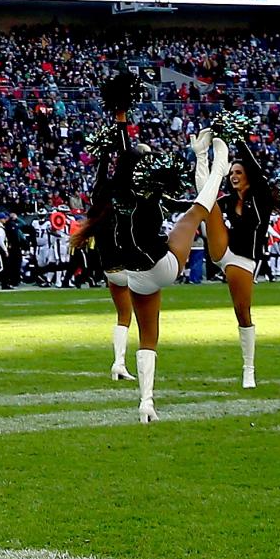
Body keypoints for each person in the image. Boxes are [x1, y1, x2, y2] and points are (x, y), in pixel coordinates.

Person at [74, 78, 231, 422]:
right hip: (162, 265)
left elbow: (121, 157)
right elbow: (139, 167)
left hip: (134, 275)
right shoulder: (150, 195)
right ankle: (218, 161)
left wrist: (120, 118)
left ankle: (146, 402)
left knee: (147, 336)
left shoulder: (110, 193)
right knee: (195, 212)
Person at [201, 132, 280, 389]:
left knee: (242, 313)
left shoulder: (262, 197)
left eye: (238, 172)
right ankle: (205, 154)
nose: (234, 176)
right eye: (231, 172)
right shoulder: (228, 201)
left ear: (248, 175)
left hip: (246, 259)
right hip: (225, 252)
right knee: (207, 202)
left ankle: (249, 368)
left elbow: (256, 168)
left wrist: (238, 138)